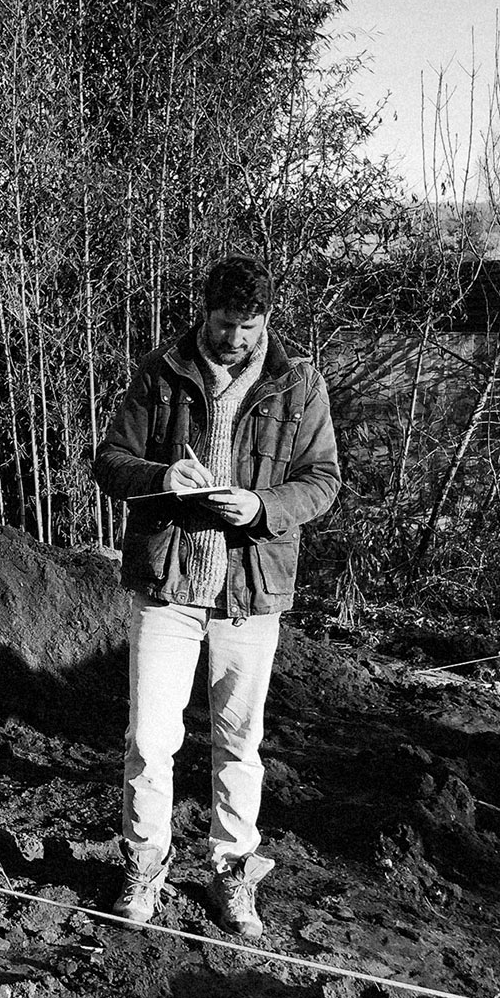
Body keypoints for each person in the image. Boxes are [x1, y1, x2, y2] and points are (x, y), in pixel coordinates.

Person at [92, 255, 341, 939]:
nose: (235, 338)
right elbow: (109, 461)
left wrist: (263, 506)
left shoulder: (299, 383)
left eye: (248, 326)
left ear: (267, 319)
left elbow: (323, 479)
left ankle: (233, 872)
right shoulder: (161, 371)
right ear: (204, 312)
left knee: (239, 742)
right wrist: (159, 477)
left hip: (251, 591)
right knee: (150, 739)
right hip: (168, 584)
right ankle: (144, 865)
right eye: (225, 324)